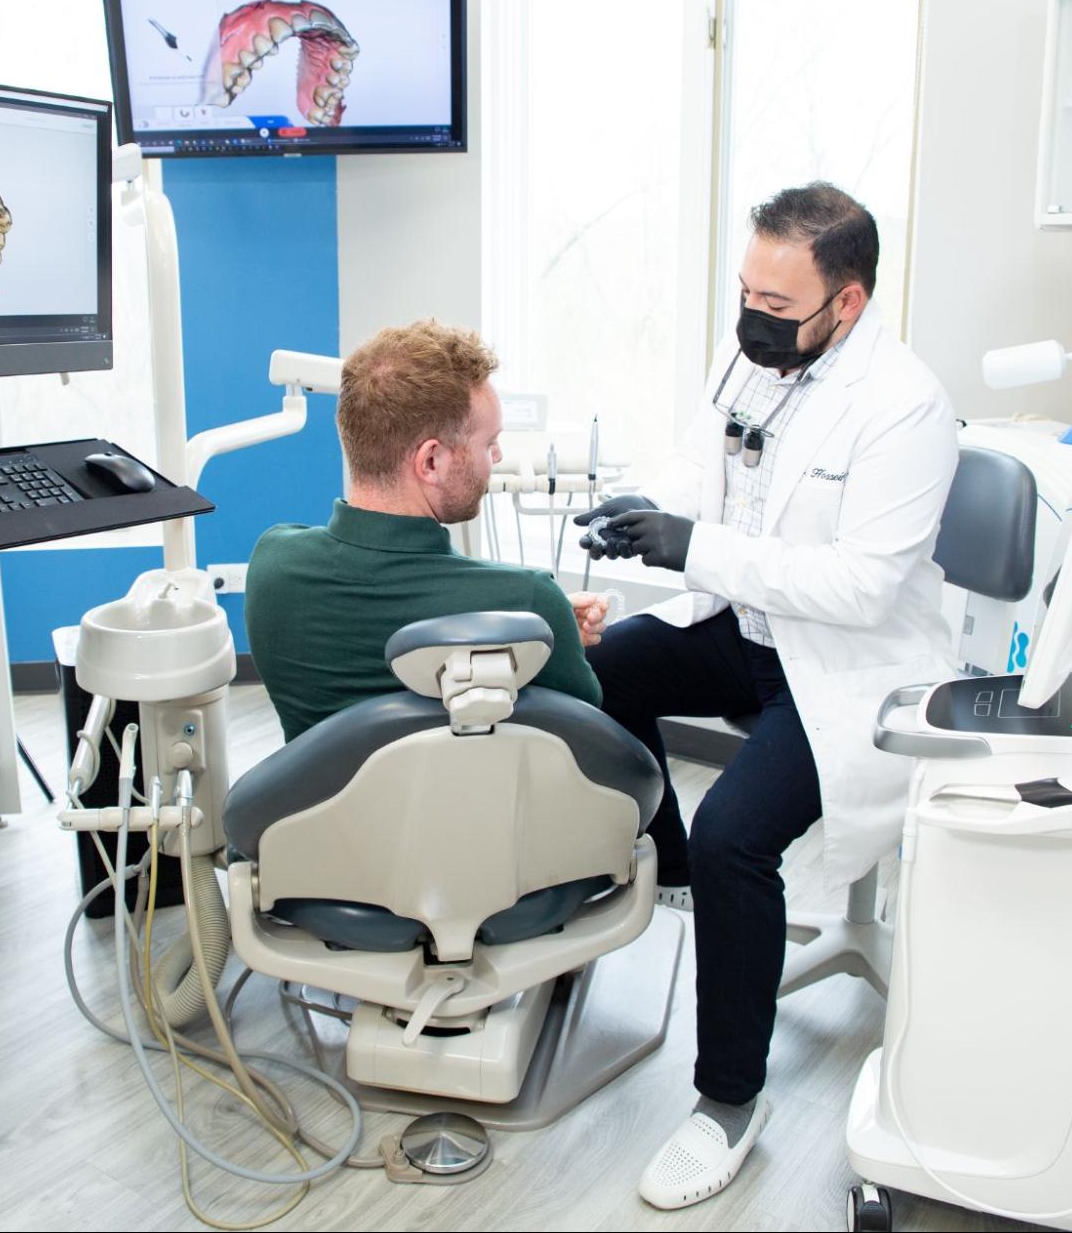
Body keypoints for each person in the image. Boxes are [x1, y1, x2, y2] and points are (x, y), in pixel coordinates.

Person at [574, 183, 958, 1210]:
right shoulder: (756, 351)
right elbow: (703, 466)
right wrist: (649, 509)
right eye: (744, 291)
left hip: (845, 664)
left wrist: (697, 546)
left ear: (849, 302)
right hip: (742, 629)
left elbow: (859, 585)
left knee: (740, 829)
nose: (751, 319)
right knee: (594, 671)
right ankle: (675, 865)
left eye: (776, 306)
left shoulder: (907, 408)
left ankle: (729, 1101)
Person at [246, 319, 614, 742]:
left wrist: (530, 625)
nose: (497, 454)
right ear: (431, 462)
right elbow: (582, 724)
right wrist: (546, 628)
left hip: (317, 804)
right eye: (488, 441)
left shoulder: (272, 564)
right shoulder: (531, 599)